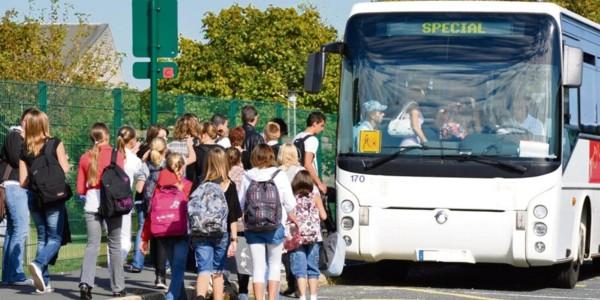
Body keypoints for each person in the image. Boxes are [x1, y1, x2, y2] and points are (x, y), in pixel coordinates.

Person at [18, 109, 71, 294]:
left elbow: (22, 182)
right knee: (55, 237)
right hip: (53, 197)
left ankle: (44, 282)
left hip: (35, 197)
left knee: (42, 237)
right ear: (43, 125)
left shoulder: (24, 149)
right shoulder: (55, 143)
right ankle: (39, 263)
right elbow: (64, 169)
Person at [238, 144, 298, 300]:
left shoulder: (247, 176)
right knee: (274, 265)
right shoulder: (279, 175)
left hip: (252, 226)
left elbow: (240, 202)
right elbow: (290, 203)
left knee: (258, 267)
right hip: (275, 225)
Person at [77, 123, 126, 299]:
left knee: (92, 245)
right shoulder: (117, 155)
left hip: (91, 203)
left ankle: (85, 283)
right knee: (114, 245)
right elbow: (121, 181)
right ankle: (118, 288)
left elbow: (80, 189)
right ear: (106, 136)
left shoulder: (84, 157)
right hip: (112, 203)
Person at [192, 147, 242, 300]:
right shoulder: (229, 185)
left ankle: (200, 296)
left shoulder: (199, 183)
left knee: (204, 269)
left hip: (200, 231)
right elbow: (233, 216)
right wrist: (234, 239)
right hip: (222, 233)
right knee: (218, 271)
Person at [141, 153, 192, 300]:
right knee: (178, 271)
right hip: (181, 232)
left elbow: (151, 212)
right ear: (182, 166)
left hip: (162, 232)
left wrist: (144, 238)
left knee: (176, 270)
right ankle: (169, 297)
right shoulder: (187, 185)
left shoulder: (158, 184)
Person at [1, 108, 34, 286]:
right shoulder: (15, 136)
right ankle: (15, 273)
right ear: (21, 120)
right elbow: (16, 159)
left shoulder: (24, 139)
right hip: (14, 185)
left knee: (13, 230)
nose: (29, 123)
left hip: (18, 187)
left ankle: (8, 275)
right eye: (27, 120)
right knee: (21, 229)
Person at [132, 137, 169, 287]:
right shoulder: (169, 165)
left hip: (151, 208)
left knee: (152, 238)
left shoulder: (146, 166)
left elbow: (139, 189)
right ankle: (162, 273)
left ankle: (156, 273)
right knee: (165, 242)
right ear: (165, 149)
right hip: (167, 208)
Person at [288, 170, 327, 300]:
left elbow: (289, 215)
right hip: (314, 237)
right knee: (313, 268)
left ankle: (303, 296)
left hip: (297, 237)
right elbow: (324, 216)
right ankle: (314, 296)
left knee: (300, 269)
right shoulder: (315, 195)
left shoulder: (291, 197)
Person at [277, 143, 304, 298]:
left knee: (285, 251)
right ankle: (299, 283)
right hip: (297, 214)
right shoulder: (300, 171)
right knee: (297, 249)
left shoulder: (277, 172)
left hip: (282, 216)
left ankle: (290, 282)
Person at [114, 126, 142, 268]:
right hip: (124, 201)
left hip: (107, 201)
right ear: (131, 141)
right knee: (125, 240)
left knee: (113, 239)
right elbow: (142, 174)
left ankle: (112, 267)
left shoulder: (110, 155)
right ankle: (116, 268)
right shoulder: (134, 160)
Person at [293, 111, 327, 194]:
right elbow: (307, 163)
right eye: (321, 125)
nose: (322, 129)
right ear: (315, 123)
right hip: (307, 180)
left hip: (296, 178)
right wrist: (319, 183)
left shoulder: (297, 137)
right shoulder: (312, 140)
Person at [241, 105, 265, 170]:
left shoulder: (235, 133)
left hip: (237, 173)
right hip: (253, 174)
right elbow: (262, 159)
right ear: (255, 117)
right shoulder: (257, 137)